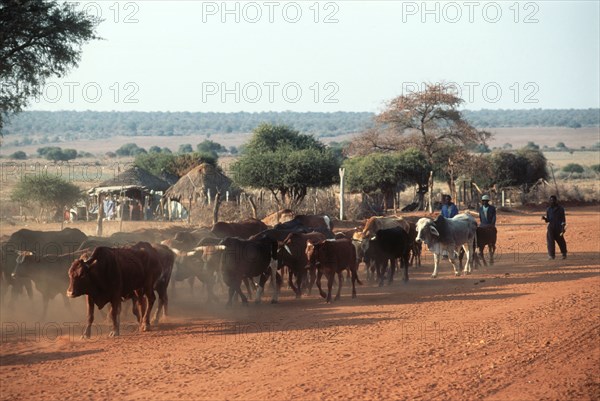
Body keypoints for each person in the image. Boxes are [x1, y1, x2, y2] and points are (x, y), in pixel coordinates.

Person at [542, 195, 567, 260]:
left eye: (553, 200)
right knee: (550, 241)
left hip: (558, 227)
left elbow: (563, 219)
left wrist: (563, 228)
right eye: (551, 200)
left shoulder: (561, 209)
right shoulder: (548, 209)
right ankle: (551, 255)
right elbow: (548, 220)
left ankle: (564, 254)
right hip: (551, 227)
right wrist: (545, 218)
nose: (552, 201)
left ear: (556, 200)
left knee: (561, 241)